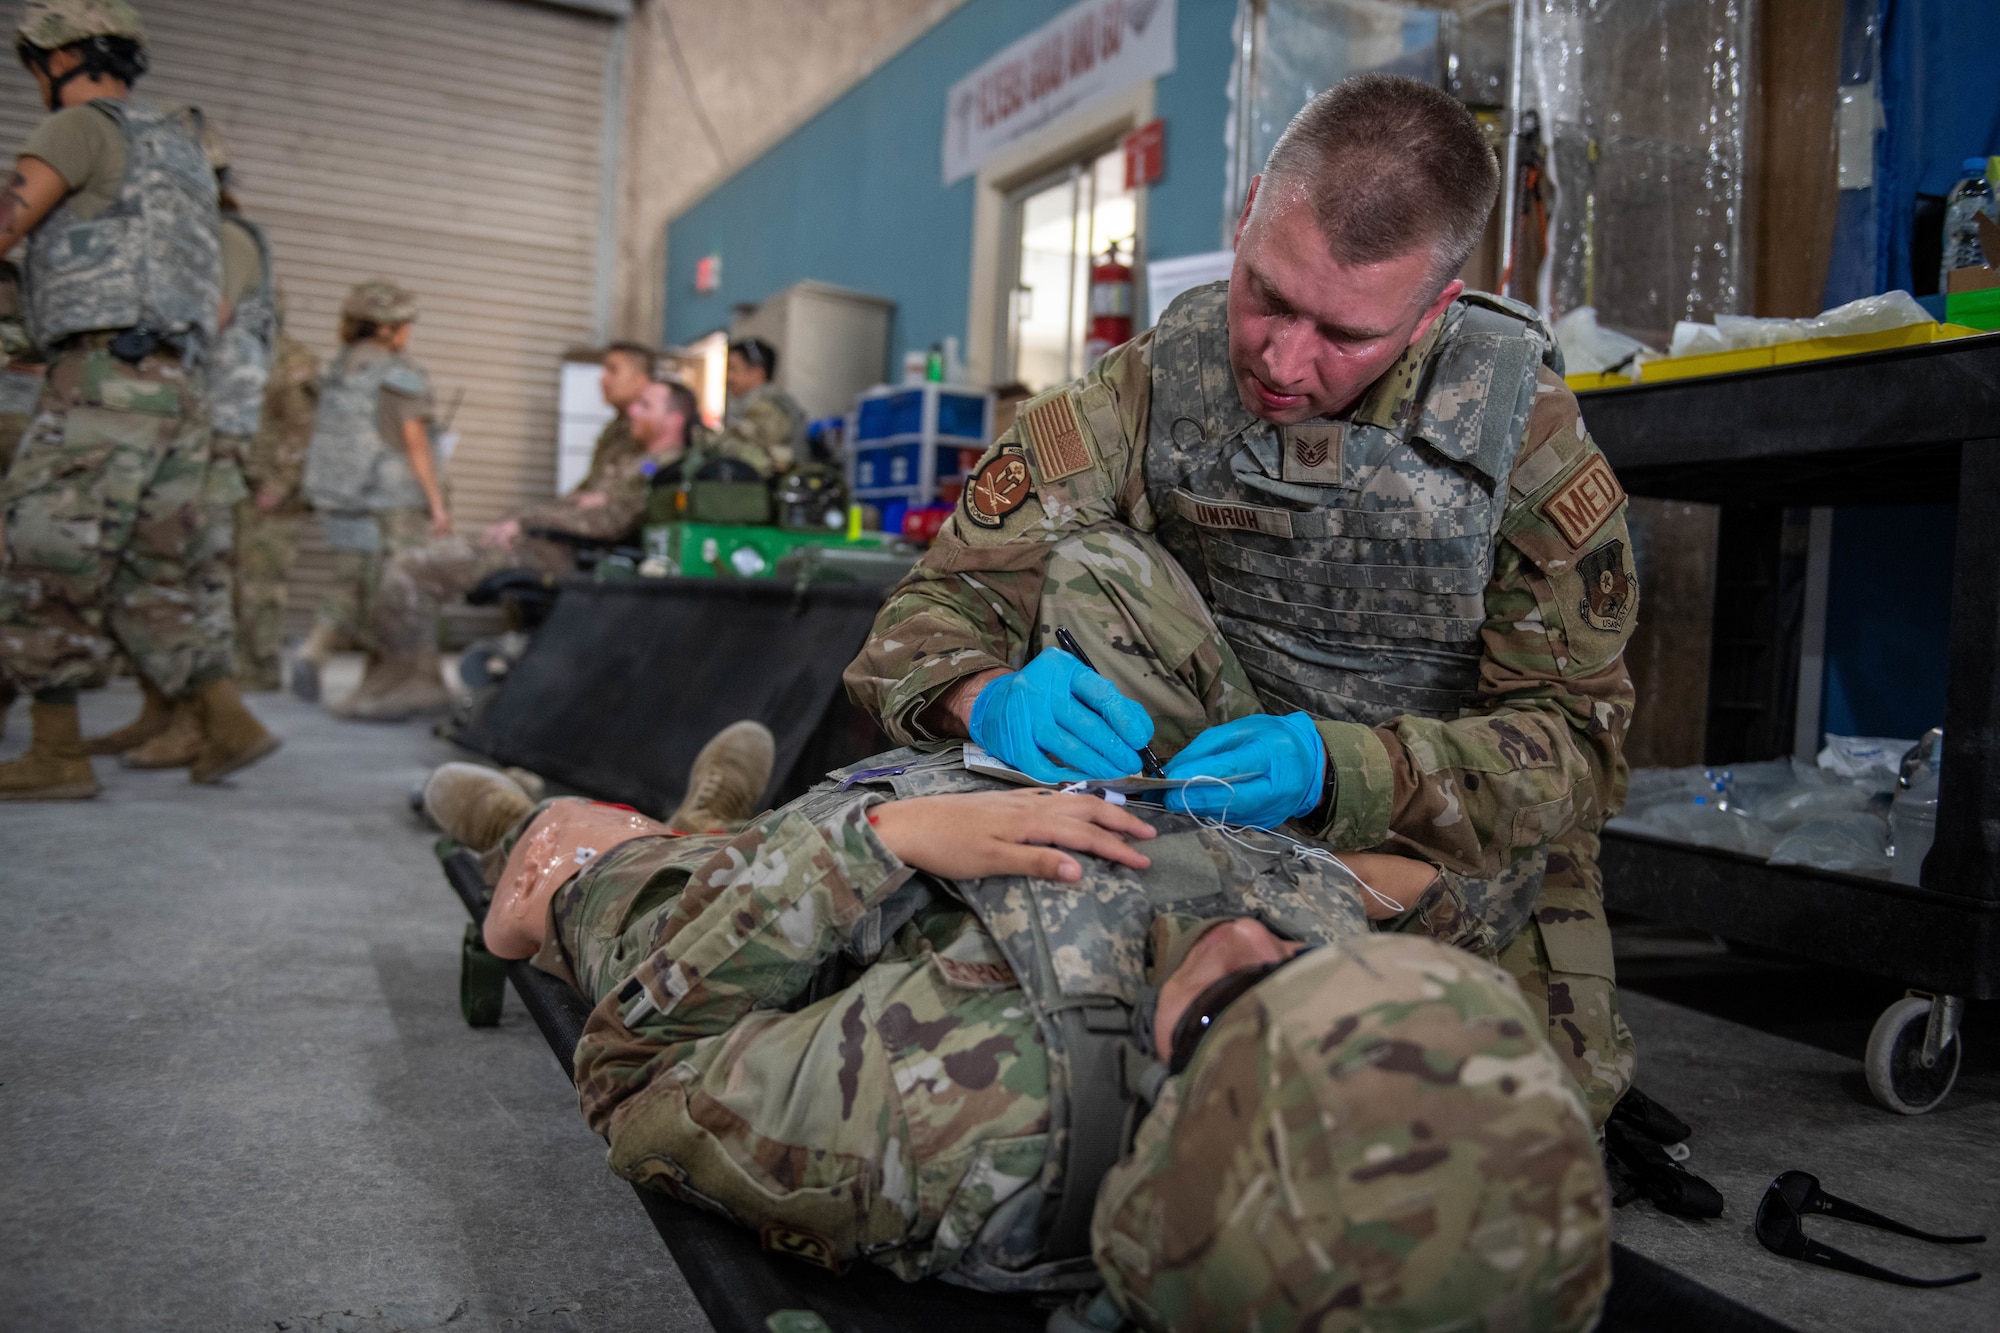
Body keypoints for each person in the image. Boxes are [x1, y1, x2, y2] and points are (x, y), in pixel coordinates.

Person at [845, 74, 1640, 1126]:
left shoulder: (1516, 441)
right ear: (1251, 205)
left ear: (1431, 309)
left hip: (1419, 830)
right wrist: (981, 694)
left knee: (1465, 1146)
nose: (1280, 358)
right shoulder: (1148, 391)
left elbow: (1577, 751)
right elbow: (927, 610)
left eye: (1343, 334)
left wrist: (1338, 767)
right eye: (1265, 292)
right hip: (1193, 782)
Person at [424, 740, 1611, 1329]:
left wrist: (876, 840)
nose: (1257, 944)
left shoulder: (937, 1126)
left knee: (602, 850)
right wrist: (1317, 839)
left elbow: (636, 1072)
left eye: (1227, 1014)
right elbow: (1469, 882)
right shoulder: (1464, 1117)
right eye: (1326, 966)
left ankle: (548, 830)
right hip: (993, 797)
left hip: (792, 915)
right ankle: (719, 804)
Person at [0, 0, 279, 799]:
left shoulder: (78, 128)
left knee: (46, 551)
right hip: (179, 389)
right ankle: (229, 721)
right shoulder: (184, 150)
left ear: (56, 57)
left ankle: (56, 752)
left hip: (103, 379)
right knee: (149, 575)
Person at [328, 369, 699, 722]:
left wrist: (528, 521)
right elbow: (580, 505)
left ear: (674, 419)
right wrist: (538, 517)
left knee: (411, 567)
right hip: (540, 546)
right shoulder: (632, 461)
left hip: (559, 557)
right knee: (409, 564)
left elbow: (611, 521)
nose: (632, 410)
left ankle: (413, 682)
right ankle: (409, 677)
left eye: (645, 405)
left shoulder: (665, 469)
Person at [86, 109, 283, 765]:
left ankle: (210, 723)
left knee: (190, 575)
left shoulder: (224, 236)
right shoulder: (206, 235)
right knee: (161, 569)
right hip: (194, 424)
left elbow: (206, 319)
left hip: (211, 431)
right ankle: (168, 711)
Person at [290, 279, 449, 703]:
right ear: (386, 327)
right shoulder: (400, 373)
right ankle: (396, 678)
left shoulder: (339, 368)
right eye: (405, 324)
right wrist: (436, 504)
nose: (408, 333)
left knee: (349, 583)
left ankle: (315, 648)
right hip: (393, 498)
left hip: (345, 494)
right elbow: (414, 441)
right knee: (399, 587)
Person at [700, 335, 803, 477]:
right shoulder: (752, 404)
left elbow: (750, 450)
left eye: (733, 369)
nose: (728, 377)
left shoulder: (771, 406)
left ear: (757, 373)